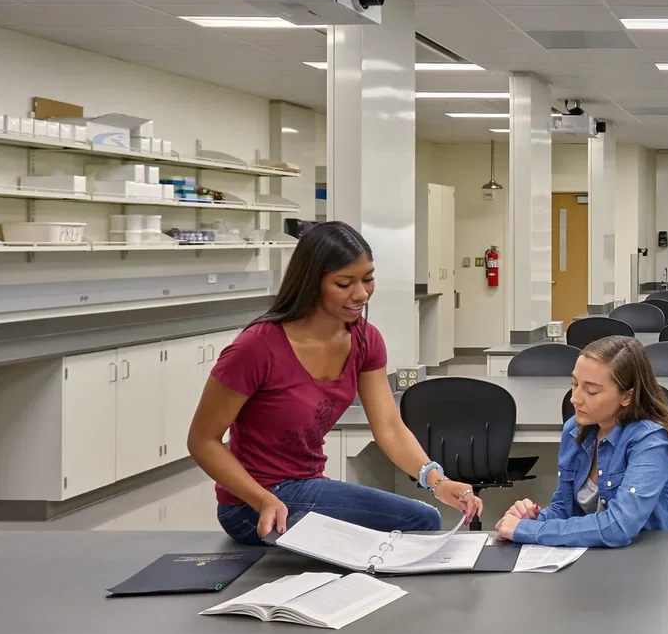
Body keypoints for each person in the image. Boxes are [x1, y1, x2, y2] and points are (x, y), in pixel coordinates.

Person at [188, 221, 483, 545]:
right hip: (252, 506)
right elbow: (203, 441)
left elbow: (388, 426)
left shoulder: (365, 340)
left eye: (368, 279)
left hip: (306, 487)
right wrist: (261, 500)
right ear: (312, 284)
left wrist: (437, 481)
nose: (361, 293)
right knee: (420, 519)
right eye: (344, 283)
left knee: (421, 517)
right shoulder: (256, 347)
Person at [495, 335, 668, 547]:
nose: (575, 398)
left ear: (627, 396)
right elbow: (564, 509)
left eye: (591, 390)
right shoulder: (574, 430)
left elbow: (618, 527)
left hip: (654, 559)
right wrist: (531, 519)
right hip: (599, 559)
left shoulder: (651, 441)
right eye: (574, 384)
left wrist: (529, 530)